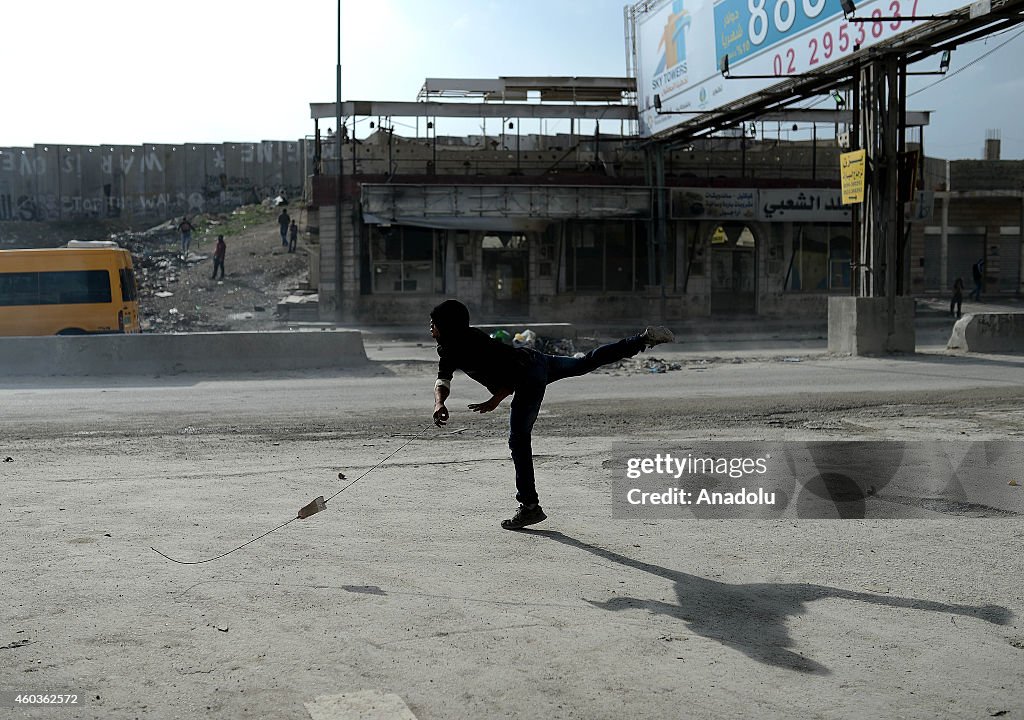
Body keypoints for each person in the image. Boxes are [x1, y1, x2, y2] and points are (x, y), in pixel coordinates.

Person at [429, 299, 675, 530]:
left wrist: (495, 399)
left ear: (447, 325)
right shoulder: (449, 349)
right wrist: (439, 403)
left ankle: (530, 507)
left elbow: (513, 373)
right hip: (537, 361)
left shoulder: (473, 344)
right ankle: (642, 339)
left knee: (519, 440)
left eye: (435, 322)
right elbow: (443, 379)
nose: (431, 327)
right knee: (584, 363)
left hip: (527, 374)